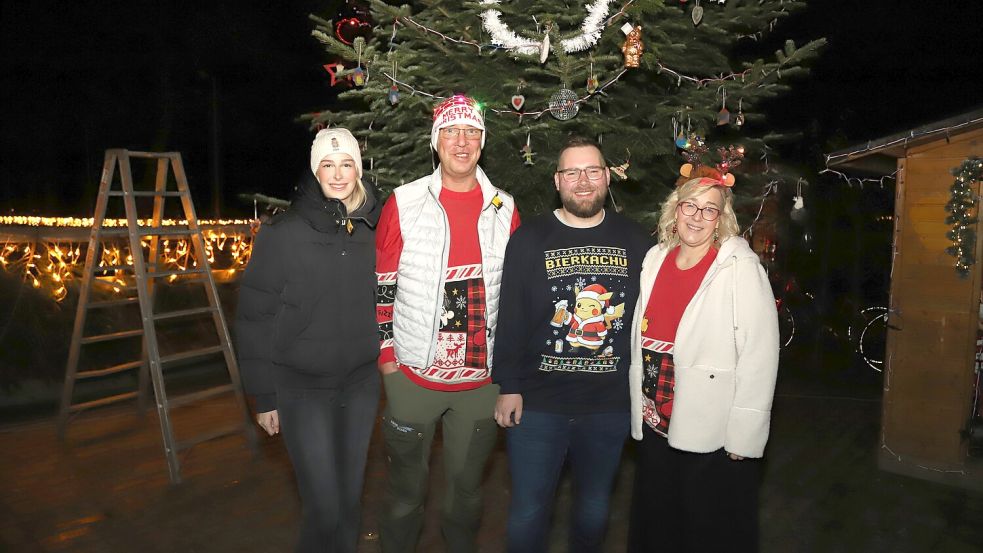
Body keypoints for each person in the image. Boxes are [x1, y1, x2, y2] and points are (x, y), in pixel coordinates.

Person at [375, 94, 520, 553]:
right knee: (404, 495)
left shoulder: (505, 208)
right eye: (452, 132)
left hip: (480, 386)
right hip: (412, 378)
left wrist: (508, 375)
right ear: (436, 140)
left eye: (472, 132)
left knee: (466, 495)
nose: (463, 141)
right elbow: (383, 285)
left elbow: (514, 297)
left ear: (483, 141)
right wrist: (387, 360)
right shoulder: (405, 202)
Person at [492, 135, 651, 553]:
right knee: (528, 511)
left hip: (609, 406)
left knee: (595, 508)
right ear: (557, 180)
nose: (583, 181)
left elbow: (647, 322)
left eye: (592, 171)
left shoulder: (637, 242)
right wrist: (508, 385)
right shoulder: (529, 239)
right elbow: (511, 315)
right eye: (572, 172)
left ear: (607, 177)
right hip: (538, 405)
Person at [235, 128, 381, 553]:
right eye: (327, 165)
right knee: (324, 508)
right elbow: (254, 315)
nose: (337, 174)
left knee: (350, 504)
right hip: (301, 390)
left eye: (346, 163)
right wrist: (263, 396)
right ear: (315, 171)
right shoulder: (284, 233)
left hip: (360, 386)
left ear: (358, 167)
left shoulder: (376, 226)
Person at [627, 172, 780, 552]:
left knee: (706, 528)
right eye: (689, 206)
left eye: (709, 209)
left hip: (709, 427)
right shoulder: (654, 258)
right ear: (674, 211)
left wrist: (744, 434)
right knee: (657, 522)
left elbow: (759, 354)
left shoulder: (738, 267)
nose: (697, 216)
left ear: (721, 218)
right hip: (654, 418)